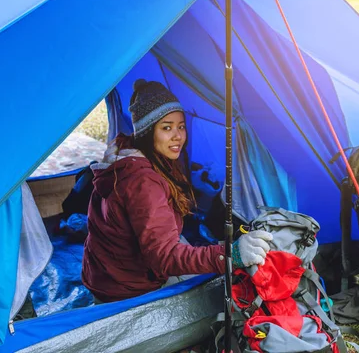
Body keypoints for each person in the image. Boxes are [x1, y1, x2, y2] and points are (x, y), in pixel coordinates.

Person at [82, 79, 273, 303]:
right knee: (220, 294)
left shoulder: (123, 158)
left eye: (181, 126)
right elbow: (164, 258)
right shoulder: (142, 182)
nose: (178, 136)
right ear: (146, 131)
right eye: (166, 127)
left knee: (185, 245)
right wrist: (230, 254)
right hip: (126, 288)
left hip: (102, 274)